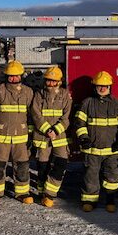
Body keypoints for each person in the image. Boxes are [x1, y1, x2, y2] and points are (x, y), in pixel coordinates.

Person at [75, 71, 118, 213]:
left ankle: (110, 200)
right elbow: (79, 123)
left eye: (105, 86)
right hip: (92, 149)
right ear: (94, 87)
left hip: (112, 150)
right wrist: (84, 138)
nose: (102, 88)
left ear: (110, 87)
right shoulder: (87, 103)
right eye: (99, 86)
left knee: (112, 176)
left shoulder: (117, 104)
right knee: (91, 176)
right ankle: (89, 201)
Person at [0, 60, 34, 205]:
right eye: (11, 76)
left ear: (21, 76)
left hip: (21, 138)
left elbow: (31, 115)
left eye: (16, 76)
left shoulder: (28, 92)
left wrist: (30, 135)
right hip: (1, 137)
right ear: (6, 76)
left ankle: (22, 193)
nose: (13, 79)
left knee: (22, 167)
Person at [30, 66, 72, 207]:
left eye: (53, 81)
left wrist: (55, 130)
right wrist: (47, 129)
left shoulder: (65, 95)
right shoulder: (38, 95)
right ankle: (42, 192)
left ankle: (50, 194)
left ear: (59, 82)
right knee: (43, 166)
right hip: (43, 136)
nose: (50, 83)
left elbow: (66, 117)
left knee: (61, 164)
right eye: (48, 80)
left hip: (59, 137)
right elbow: (36, 114)